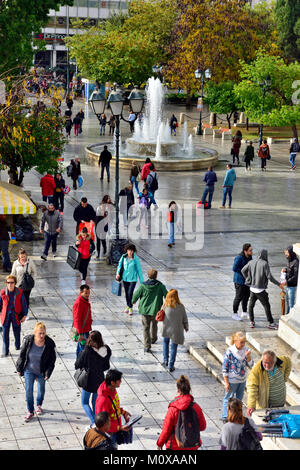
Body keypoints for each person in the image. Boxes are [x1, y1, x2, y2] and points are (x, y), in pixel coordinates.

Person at [16, 322, 56, 422]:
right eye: (40, 333)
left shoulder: (49, 344)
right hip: (29, 370)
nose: (42, 335)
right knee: (28, 391)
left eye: (43, 333)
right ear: (35, 333)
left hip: (41, 371)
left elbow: (52, 361)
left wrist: (48, 373)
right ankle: (30, 411)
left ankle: (38, 404)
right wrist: (19, 369)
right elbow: (22, 355)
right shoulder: (28, 341)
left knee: (41, 390)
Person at [157, 375, 206, 450]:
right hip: (192, 445)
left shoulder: (173, 409)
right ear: (189, 390)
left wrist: (159, 443)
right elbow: (203, 427)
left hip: (174, 446)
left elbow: (166, 430)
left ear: (178, 390)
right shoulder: (196, 407)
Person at [75, 331, 111, 429]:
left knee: (85, 402)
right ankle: (99, 423)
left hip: (88, 381)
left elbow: (77, 364)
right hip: (100, 380)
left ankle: (94, 422)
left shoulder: (87, 351)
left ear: (90, 340)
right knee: (96, 404)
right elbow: (106, 366)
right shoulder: (106, 350)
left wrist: (82, 349)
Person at [241, 249, 282, 329]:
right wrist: (278, 284)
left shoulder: (251, 262)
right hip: (260, 290)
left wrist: (248, 279)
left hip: (252, 288)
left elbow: (243, 270)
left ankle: (251, 322)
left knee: (251, 306)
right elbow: (270, 277)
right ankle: (271, 323)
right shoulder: (265, 264)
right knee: (266, 306)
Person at [132, 269, 168, 353]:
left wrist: (133, 301)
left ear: (148, 276)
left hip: (144, 310)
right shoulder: (160, 285)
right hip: (155, 309)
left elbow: (135, 295)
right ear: (156, 276)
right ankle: (153, 338)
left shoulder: (142, 286)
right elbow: (167, 295)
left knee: (146, 327)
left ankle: (147, 346)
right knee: (154, 324)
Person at [246, 350, 291, 416]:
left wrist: (285, 378)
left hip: (281, 403)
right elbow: (252, 389)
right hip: (268, 406)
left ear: (274, 361)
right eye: (265, 362)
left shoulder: (281, 361)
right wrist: (251, 405)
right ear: (262, 360)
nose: (267, 366)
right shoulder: (256, 371)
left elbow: (288, 362)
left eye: (270, 363)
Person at [95, 369, 132, 449]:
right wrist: (120, 427)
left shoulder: (112, 389)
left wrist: (123, 412)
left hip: (115, 429)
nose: (121, 381)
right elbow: (103, 423)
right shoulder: (103, 400)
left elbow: (114, 406)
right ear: (112, 382)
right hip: (109, 433)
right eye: (119, 380)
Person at [221, 332, 253, 423]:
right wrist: (226, 382)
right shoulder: (229, 352)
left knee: (239, 399)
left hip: (242, 380)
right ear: (235, 341)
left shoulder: (246, 350)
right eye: (241, 342)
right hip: (232, 381)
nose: (243, 344)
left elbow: (251, 365)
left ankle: (238, 416)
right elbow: (225, 368)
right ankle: (225, 416)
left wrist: (248, 357)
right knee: (228, 398)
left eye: (244, 342)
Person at [161, 289, 188, 372]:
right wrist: (186, 327)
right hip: (176, 331)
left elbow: (161, 314)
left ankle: (165, 361)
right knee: (174, 347)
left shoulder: (165, 305)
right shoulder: (181, 306)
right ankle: (171, 365)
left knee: (165, 343)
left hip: (166, 329)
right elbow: (185, 319)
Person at [0, 275, 28, 357]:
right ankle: (5, 351)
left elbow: (24, 305)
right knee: (5, 334)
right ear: (6, 283)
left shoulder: (19, 292)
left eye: (12, 282)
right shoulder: (2, 293)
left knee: (17, 332)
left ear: (15, 283)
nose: (10, 284)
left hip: (16, 316)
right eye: (8, 282)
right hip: (5, 316)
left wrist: (24, 315)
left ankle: (17, 345)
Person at [116, 244, 144, 315]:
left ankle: (130, 307)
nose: (130, 252)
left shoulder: (136, 259)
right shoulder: (123, 257)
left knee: (130, 293)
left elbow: (139, 270)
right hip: (125, 278)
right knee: (126, 293)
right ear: (127, 250)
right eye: (129, 250)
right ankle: (128, 306)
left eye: (132, 250)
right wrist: (118, 273)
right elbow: (119, 265)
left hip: (133, 279)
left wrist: (142, 282)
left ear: (133, 251)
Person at [232, 243, 253, 321]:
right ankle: (234, 313)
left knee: (246, 297)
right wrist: (243, 271)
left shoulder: (250, 257)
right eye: (250, 250)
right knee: (238, 297)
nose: (251, 252)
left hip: (247, 281)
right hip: (239, 281)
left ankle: (244, 312)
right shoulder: (239, 258)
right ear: (245, 251)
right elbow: (234, 268)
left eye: (251, 250)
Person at [72, 284, 93, 358]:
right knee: (84, 349)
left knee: (80, 347)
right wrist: (80, 334)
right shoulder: (79, 303)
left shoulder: (84, 301)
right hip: (82, 331)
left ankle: (78, 363)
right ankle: (82, 365)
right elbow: (77, 319)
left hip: (85, 329)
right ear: (81, 293)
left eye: (88, 293)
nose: (88, 295)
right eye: (86, 293)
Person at [281, 245, 299, 314]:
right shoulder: (289, 260)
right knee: (287, 301)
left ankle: (291, 315)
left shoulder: (296, 262)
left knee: (291, 303)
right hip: (287, 285)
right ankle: (288, 314)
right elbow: (289, 270)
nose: (286, 254)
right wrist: (285, 270)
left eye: (287, 253)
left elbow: (295, 276)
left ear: (291, 253)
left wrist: (287, 282)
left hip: (292, 285)